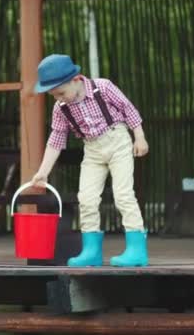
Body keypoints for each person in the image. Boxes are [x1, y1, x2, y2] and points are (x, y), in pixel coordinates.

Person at [31, 54, 149, 267]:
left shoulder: (102, 88)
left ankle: (136, 249)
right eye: (54, 95)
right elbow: (56, 140)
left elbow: (128, 109)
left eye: (61, 93)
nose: (59, 98)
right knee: (86, 198)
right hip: (92, 149)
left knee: (123, 194)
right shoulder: (61, 108)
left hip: (118, 140)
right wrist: (43, 171)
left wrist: (139, 137)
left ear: (76, 79)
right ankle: (91, 250)